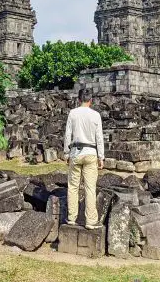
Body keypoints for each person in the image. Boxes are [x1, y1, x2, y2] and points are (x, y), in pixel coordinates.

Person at [63, 88, 104, 229]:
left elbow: (68, 134)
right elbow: (99, 137)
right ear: (90, 100)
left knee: (73, 187)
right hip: (91, 152)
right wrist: (101, 156)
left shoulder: (73, 113)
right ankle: (90, 221)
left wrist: (66, 153)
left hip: (75, 152)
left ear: (79, 100)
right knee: (90, 188)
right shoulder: (96, 115)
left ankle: (71, 218)